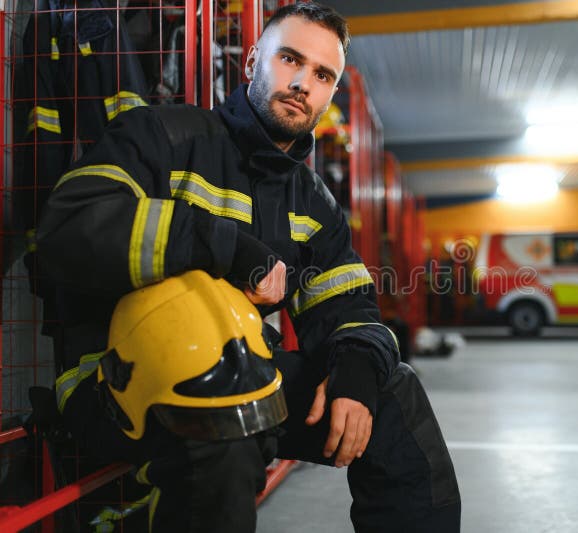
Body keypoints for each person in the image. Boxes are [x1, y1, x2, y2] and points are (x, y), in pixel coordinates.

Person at [35, 3, 461, 532]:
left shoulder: (315, 204)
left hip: (241, 375)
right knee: (226, 416)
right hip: (110, 378)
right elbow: (70, 226)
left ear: (330, 94)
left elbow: (350, 305)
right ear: (252, 61)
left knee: (395, 394)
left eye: (322, 74)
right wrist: (226, 246)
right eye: (289, 59)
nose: (302, 82)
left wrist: (355, 370)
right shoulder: (161, 136)